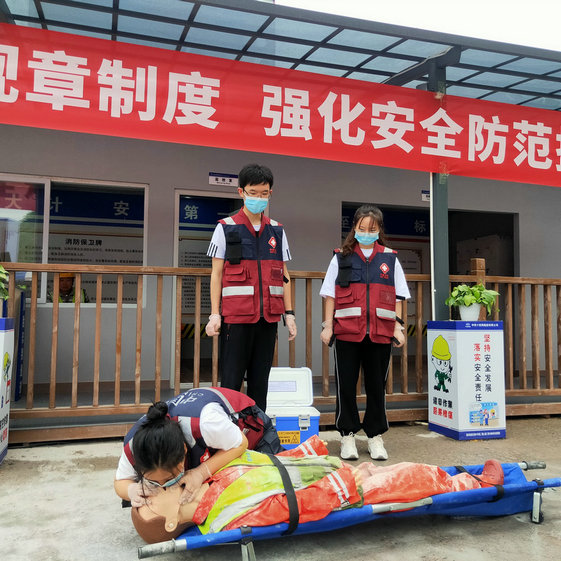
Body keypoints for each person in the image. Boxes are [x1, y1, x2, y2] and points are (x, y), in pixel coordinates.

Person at [130, 435, 505, 543]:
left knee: (397, 472)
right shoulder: (225, 518)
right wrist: (346, 483)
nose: (152, 493)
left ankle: (457, 479)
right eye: (149, 504)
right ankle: (474, 484)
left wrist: (309, 452)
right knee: (410, 479)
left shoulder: (208, 482)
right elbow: (291, 507)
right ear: (169, 523)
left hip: (322, 473)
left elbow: (267, 463)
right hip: (338, 493)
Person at [319, 204, 410, 461]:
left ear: (379, 230)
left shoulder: (390, 258)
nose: (367, 233)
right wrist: (328, 326)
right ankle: (347, 435)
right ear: (355, 228)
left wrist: (398, 327)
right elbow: (330, 295)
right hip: (347, 332)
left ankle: (375, 436)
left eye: (372, 229)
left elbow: (399, 296)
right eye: (362, 228)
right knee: (346, 386)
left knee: (376, 387)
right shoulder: (341, 257)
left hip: (380, 333)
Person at [205, 164, 297, 411]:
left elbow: (284, 275)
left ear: (270, 193)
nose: (258, 198)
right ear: (241, 192)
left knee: (260, 381)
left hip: (268, 319)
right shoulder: (225, 227)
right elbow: (216, 274)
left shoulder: (277, 230)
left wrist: (289, 314)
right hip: (236, 318)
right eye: (253, 192)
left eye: (263, 193)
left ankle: (257, 428)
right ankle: (229, 428)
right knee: (231, 380)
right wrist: (215, 314)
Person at [114, 387, 283, 508]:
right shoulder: (135, 446)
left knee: (270, 487)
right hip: (213, 441)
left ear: (184, 451)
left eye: (168, 479)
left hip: (250, 430)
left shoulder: (207, 423)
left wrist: (201, 472)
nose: (163, 486)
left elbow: (240, 443)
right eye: (153, 481)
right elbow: (120, 481)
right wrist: (132, 490)